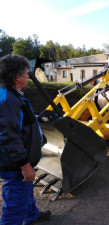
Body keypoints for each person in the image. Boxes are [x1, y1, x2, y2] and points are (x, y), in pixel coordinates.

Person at [0, 54, 51, 224]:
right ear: (17, 78)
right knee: (14, 206)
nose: (28, 77)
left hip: (15, 160)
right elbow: (9, 136)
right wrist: (25, 165)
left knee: (25, 190)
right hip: (15, 165)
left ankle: (31, 215)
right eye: (26, 74)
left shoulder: (9, 94)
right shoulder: (9, 100)